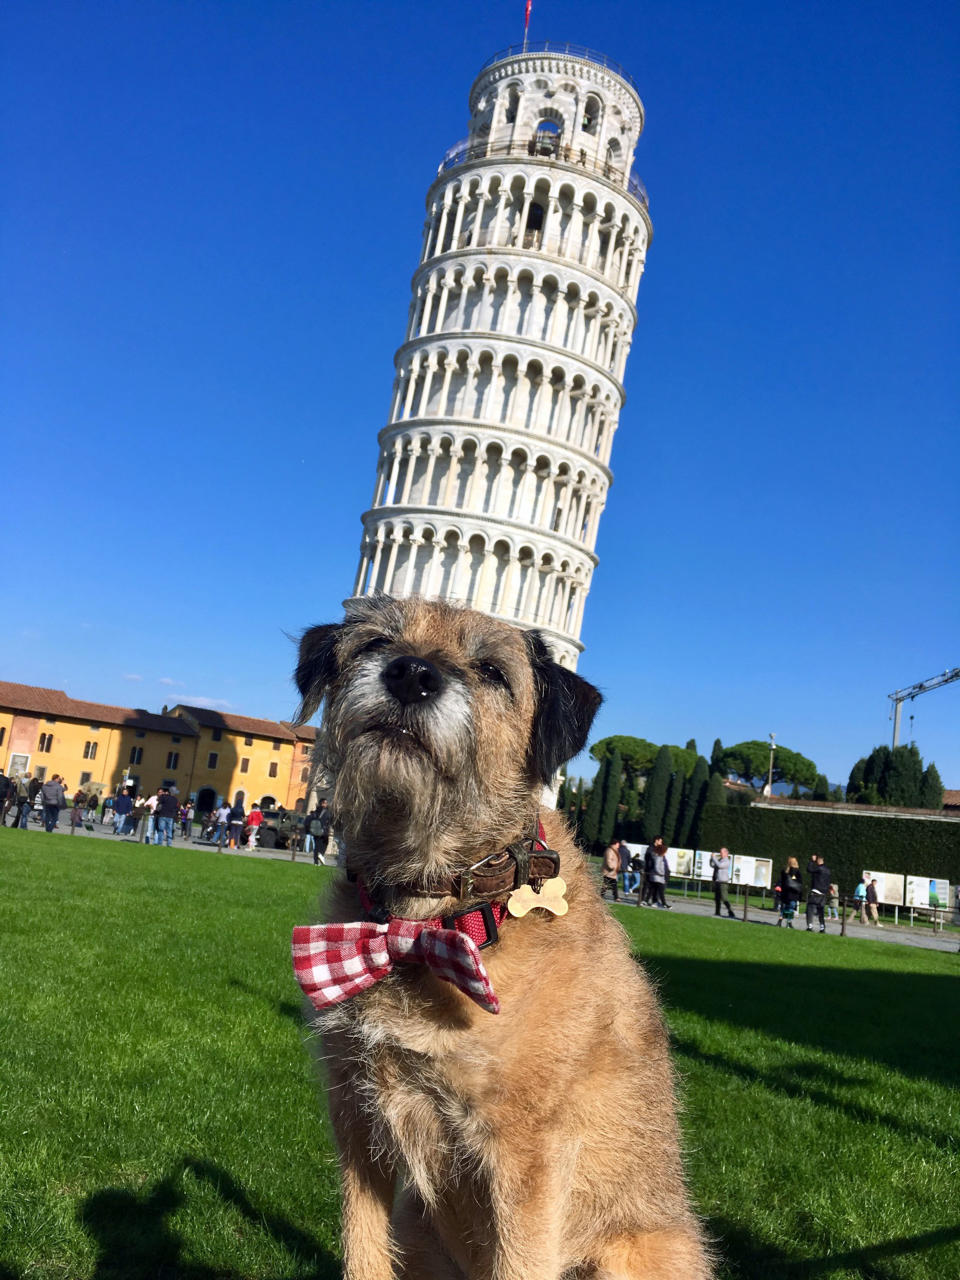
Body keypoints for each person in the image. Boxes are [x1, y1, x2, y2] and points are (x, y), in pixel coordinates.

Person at [806, 854, 832, 933]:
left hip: (816, 891)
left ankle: (810, 926)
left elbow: (809, 869)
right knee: (821, 911)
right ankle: (822, 927)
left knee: (810, 908)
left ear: (818, 860)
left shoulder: (819, 869)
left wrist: (811, 861)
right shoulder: (827, 870)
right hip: (824, 893)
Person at [709, 847, 737, 919]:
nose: (720, 853)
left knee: (724, 898)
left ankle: (731, 911)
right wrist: (711, 858)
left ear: (726, 853)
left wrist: (714, 858)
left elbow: (719, 866)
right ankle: (717, 912)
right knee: (717, 898)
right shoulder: (720, 860)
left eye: (722, 852)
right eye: (720, 852)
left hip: (723, 883)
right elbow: (713, 865)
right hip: (718, 881)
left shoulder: (727, 861)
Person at [776, 857, 803, 927]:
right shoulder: (797, 872)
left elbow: (781, 881)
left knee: (785, 907)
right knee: (791, 907)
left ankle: (780, 920)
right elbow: (800, 883)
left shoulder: (785, 871)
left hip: (785, 893)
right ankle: (789, 922)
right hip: (793, 893)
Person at [641, 837, 667, 905]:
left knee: (653, 887)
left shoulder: (656, 849)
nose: (661, 843)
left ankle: (650, 900)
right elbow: (650, 860)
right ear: (656, 841)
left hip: (653, 870)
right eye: (660, 841)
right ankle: (643, 900)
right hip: (650, 870)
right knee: (647, 885)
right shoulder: (651, 849)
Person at [647, 841, 671, 909]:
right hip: (658, 877)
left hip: (656, 877)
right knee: (661, 891)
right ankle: (664, 904)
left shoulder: (657, 856)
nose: (666, 852)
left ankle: (655, 902)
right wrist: (661, 873)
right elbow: (657, 867)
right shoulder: (659, 857)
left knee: (655, 890)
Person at [315, 799, 332, 865]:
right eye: (325, 803)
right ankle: (321, 855)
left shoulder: (317, 811)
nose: (326, 804)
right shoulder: (326, 812)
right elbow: (328, 820)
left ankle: (318, 860)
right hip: (323, 830)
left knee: (319, 843)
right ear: (322, 804)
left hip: (317, 830)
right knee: (325, 843)